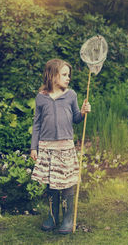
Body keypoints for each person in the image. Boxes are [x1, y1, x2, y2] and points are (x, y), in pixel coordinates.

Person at [30, 58, 91, 234]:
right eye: (64, 74)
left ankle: (67, 218)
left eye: (68, 75)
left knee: (66, 183)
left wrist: (83, 112)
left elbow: (76, 119)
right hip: (47, 146)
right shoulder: (41, 98)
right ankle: (52, 216)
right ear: (52, 76)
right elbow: (37, 124)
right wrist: (34, 147)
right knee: (51, 182)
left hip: (65, 146)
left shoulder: (71, 95)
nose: (68, 78)